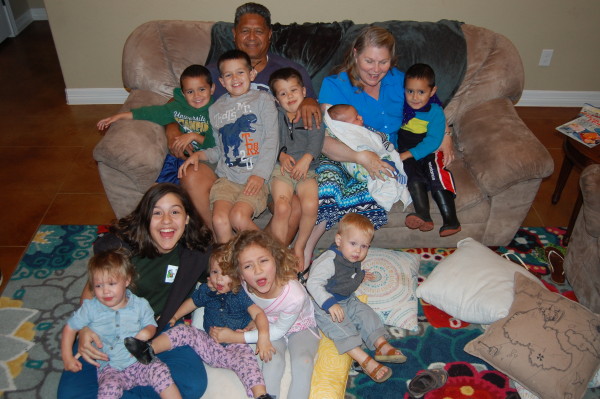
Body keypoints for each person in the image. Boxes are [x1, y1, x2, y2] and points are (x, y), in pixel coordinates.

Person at [304, 26, 455, 266]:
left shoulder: (399, 80)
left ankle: (349, 257)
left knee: (377, 187)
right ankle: (306, 250)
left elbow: (430, 103)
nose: (375, 70)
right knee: (329, 187)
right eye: (369, 61)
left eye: (383, 62)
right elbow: (322, 138)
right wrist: (360, 157)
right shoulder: (335, 85)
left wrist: (446, 133)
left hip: (388, 152)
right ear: (355, 54)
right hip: (343, 154)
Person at [170, 2, 321, 239]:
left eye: (259, 31)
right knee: (191, 174)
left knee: (293, 208)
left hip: (269, 162)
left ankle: (264, 255)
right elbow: (174, 106)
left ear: (269, 35)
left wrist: (311, 100)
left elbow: (306, 108)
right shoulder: (213, 73)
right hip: (226, 162)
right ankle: (221, 245)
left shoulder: (290, 70)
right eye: (244, 31)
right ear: (234, 34)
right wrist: (173, 131)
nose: (252, 37)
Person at [57, 183, 213, 399]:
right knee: (71, 395)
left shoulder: (197, 252)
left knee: (193, 384)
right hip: (107, 334)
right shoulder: (122, 249)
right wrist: (84, 330)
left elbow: (231, 272)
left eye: (175, 212)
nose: (167, 220)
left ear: (187, 218)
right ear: (145, 218)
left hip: (158, 334)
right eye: (157, 213)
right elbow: (92, 289)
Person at [124, 245, 275, 399]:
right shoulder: (207, 290)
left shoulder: (240, 294)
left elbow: (259, 314)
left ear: (238, 275)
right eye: (215, 272)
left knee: (249, 364)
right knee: (184, 331)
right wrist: (174, 316)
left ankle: (261, 395)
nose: (219, 278)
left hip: (235, 347)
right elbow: (192, 303)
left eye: (226, 273)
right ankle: (148, 350)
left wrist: (263, 337)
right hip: (208, 344)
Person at [178, 50, 278, 244]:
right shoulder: (215, 109)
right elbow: (218, 149)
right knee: (219, 220)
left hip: (255, 177)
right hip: (227, 179)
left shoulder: (263, 100)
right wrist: (199, 155)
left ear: (251, 74)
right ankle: (229, 271)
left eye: (240, 72)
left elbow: (271, 141)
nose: (235, 79)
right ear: (222, 82)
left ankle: (275, 256)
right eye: (228, 75)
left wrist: (260, 174)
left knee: (238, 217)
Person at [211, 230, 319, 399]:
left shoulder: (294, 295)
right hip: (266, 323)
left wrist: (235, 337)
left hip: (300, 325)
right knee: (271, 361)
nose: (258, 270)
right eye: (248, 266)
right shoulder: (244, 285)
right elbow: (219, 285)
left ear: (276, 259)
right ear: (239, 273)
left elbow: (278, 331)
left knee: (303, 362)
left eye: (263, 261)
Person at [61, 249, 182, 399]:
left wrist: (147, 332)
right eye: (98, 286)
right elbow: (70, 328)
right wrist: (67, 357)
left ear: (126, 281)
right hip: (110, 368)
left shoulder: (140, 305)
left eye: (112, 283)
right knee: (108, 389)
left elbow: (151, 325)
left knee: (161, 372)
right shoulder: (90, 308)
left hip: (140, 361)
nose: (105, 291)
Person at [306, 213, 406, 384]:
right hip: (322, 304)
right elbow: (313, 283)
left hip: (347, 298)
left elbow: (348, 273)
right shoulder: (329, 259)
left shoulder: (351, 255)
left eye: (364, 246)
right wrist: (329, 304)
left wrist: (360, 276)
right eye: (353, 244)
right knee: (342, 327)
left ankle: (381, 344)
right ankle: (364, 360)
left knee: (366, 313)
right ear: (339, 240)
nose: (358, 251)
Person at [97, 65, 216, 186]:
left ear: (211, 89)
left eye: (202, 89)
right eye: (190, 91)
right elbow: (151, 113)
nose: (197, 96)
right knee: (157, 188)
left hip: (204, 160)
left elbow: (215, 145)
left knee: (190, 184)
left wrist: (194, 136)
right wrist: (118, 116)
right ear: (183, 94)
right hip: (176, 158)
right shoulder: (177, 108)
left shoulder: (215, 112)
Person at [268, 67, 324, 270]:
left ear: (304, 92)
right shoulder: (274, 116)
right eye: (283, 93)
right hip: (280, 170)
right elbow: (269, 141)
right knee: (282, 207)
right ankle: (279, 252)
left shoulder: (311, 112)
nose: (289, 96)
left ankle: (299, 246)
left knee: (310, 205)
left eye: (293, 90)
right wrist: (280, 155)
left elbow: (317, 140)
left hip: (307, 169)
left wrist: (307, 159)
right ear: (276, 99)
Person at [398, 63, 460, 237]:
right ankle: (423, 214)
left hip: (429, 151)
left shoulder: (435, 112)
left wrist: (409, 154)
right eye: (410, 91)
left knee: (437, 176)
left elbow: (433, 140)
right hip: (406, 152)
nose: (415, 97)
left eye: (421, 92)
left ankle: (451, 220)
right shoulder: (401, 108)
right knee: (412, 175)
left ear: (432, 91)